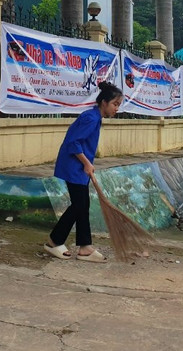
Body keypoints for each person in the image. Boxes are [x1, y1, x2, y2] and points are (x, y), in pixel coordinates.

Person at [43, 81, 123, 263]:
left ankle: (85, 247)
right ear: (104, 103)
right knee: (79, 205)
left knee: (83, 205)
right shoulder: (91, 118)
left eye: (118, 105)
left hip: (79, 168)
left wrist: (86, 164)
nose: (117, 109)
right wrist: (86, 163)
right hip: (74, 167)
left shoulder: (95, 118)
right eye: (115, 104)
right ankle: (54, 241)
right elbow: (74, 143)